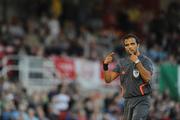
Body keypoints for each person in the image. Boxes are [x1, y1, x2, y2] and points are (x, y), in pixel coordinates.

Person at [103, 33, 153, 120]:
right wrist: (105, 66)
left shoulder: (145, 61)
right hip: (127, 101)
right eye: (127, 45)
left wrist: (137, 62)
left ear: (138, 45)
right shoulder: (122, 62)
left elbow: (147, 78)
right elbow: (108, 79)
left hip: (142, 100)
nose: (130, 47)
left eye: (132, 44)